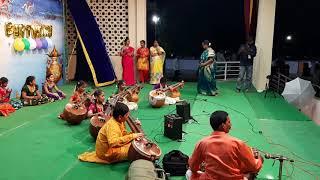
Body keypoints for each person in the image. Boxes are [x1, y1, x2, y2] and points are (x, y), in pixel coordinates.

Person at [187, 110, 263, 180]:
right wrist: (258, 158)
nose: (231, 125)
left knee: (189, 173)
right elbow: (254, 167)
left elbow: (193, 166)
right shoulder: (238, 143)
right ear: (223, 125)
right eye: (229, 122)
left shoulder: (202, 143)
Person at [78, 102, 143, 164]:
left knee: (134, 144)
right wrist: (132, 136)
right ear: (120, 117)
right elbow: (113, 142)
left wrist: (136, 128)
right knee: (134, 150)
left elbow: (123, 135)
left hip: (111, 146)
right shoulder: (112, 125)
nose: (128, 116)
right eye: (126, 115)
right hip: (106, 153)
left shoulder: (119, 121)